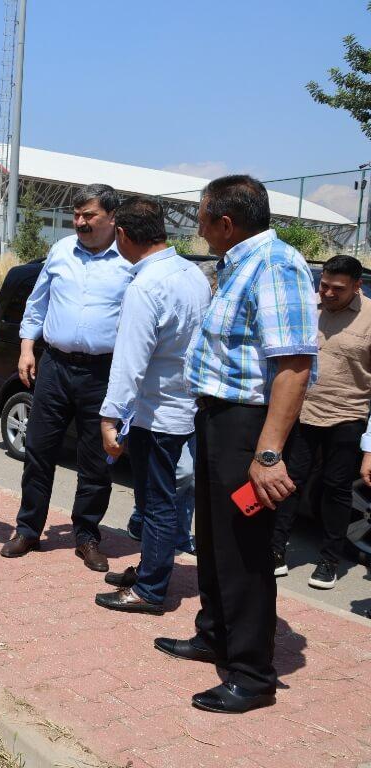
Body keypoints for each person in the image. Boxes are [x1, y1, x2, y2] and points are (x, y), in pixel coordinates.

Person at [156, 175, 317, 715]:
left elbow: (293, 365)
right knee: (214, 539)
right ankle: (216, 635)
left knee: (245, 549)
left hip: (250, 429)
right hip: (218, 422)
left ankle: (251, 674)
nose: (196, 226)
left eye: (200, 216)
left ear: (225, 223)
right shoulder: (236, 265)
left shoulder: (276, 265)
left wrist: (268, 452)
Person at [0, 184, 132, 572]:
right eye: (76, 215)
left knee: (96, 460)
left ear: (111, 218)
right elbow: (36, 304)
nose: (79, 222)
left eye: (88, 216)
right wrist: (27, 348)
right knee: (38, 452)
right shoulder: (59, 253)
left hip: (103, 372)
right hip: (54, 367)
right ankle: (28, 529)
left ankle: (87, 536)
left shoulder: (128, 261)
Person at [93, 197, 211, 614]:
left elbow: (129, 361)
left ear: (123, 235)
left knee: (157, 505)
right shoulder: (193, 275)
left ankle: (150, 589)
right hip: (185, 409)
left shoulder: (145, 286)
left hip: (156, 415)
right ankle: (150, 570)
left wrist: (110, 418)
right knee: (163, 501)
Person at [270, 255, 370, 588]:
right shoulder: (308, 308)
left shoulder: (370, 317)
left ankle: (329, 559)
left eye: (337, 289)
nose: (326, 293)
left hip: (347, 416)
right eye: (323, 285)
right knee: (289, 482)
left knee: (336, 489)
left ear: (357, 286)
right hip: (302, 411)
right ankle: (276, 551)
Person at [127, 436, 196, 555]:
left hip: (199, 419)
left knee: (193, 480)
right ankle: (141, 516)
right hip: (175, 421)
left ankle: (182, 538)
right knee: (184, 471)